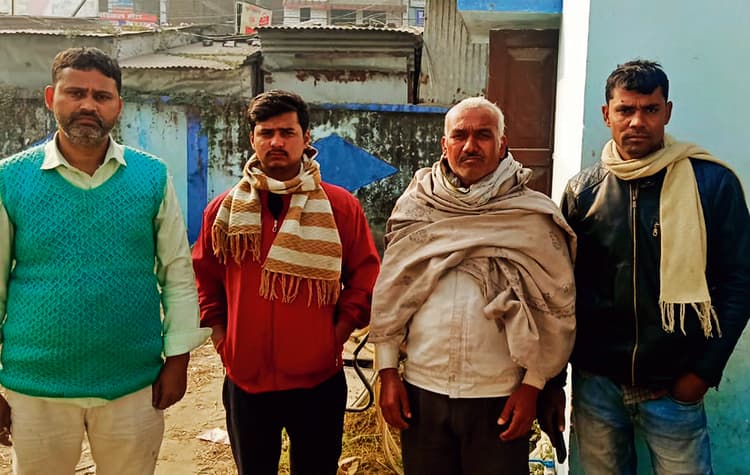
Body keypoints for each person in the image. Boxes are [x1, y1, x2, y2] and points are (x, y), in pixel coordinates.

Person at [0, 47, 209, 474]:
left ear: (118, 105)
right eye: (75, 93)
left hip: (133, 382)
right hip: (35, 387)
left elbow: (176, 272)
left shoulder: (151, 175)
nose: (88, 106)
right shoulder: (10, 177)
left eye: (102, 96)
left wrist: (178, 359)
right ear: (51, 98)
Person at [546, 59, 750, 474]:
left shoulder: (711, 184)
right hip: (598, 383)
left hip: (675, 384)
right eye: (625, 110)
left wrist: (701, 373)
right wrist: (555, 382)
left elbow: (739, 282)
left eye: (650, 109)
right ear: (606, 114)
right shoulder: (583, 192)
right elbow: (559, 291)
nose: (637, 121)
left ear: (667, 112)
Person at [370, 97, 577, 475]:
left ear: (502, 144)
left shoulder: (532, 216)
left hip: (500, 395)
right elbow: (392, 293)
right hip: (422, 391)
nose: (470, 145)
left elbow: (555, 309)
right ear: (444, 144)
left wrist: (532, 387)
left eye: (483, 135)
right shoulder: (416, 207)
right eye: (459, 135)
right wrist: (387, 372)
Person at [192, 89, 380, 475]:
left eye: (287, 132)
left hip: (318, 380)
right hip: (246, 381)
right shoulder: (224, 211)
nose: (276, 142)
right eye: (266, 133)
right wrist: (223, 340)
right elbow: (205, 280)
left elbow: (365, 277)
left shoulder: (340, 207)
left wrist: (336, 335)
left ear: (306, 138)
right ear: (253, 139)